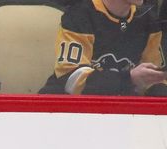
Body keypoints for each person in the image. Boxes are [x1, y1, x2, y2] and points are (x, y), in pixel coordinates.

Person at [39, 0, 167, 95]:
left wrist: (158, 86)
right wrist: (129, 78)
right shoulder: (80, 16)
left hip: (121, 113)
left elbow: (155, 80)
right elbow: (71, 81)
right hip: (64, 111)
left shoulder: (148, 20)